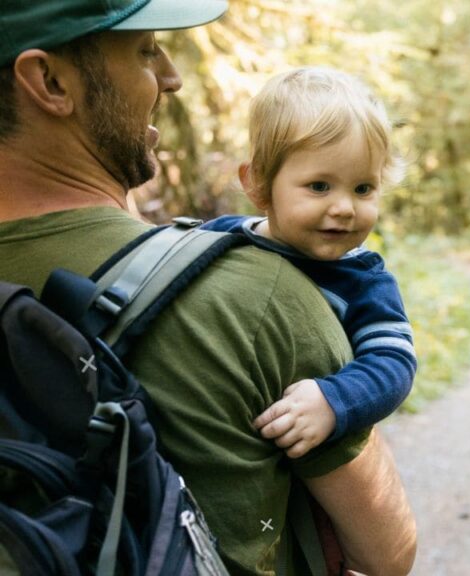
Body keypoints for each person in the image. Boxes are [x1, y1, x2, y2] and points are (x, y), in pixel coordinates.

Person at [0, 1, 417, 575]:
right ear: (48, 81)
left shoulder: (303, 270)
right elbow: (389, 554)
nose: (172, 76)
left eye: (363, 187)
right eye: (147, 50)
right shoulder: (254, 295)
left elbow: (394, 356)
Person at [202, 67, 416, 459]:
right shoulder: (216, 239)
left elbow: (394, 361)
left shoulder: (362, 279)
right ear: (258, 183)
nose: (344, 208)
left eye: (363, 188)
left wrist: (333, 401)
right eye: (320, 186)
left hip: (300, 461)